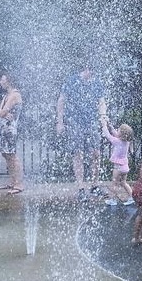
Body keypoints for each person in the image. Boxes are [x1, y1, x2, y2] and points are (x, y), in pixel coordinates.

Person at [56, 62, 107, 200]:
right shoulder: (72, 81)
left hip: (91, 122)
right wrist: (60, 122)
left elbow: (101, 102)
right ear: (86, 68)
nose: (93, 76)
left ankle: (95, 185)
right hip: (74, 123)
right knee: (77, 154)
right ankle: (81, 187)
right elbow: (61, 101)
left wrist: (103, 118)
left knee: (96, 153)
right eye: (91, 72)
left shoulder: (97, 83)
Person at [0, 73, 23, 194]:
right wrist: (1, 112)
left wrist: (1, 112)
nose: (0, 82)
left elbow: (0, 112)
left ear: (9, 81)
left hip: (9, 130)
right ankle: (13, 181)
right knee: (6, 155)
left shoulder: (14, 95)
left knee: (12, 156)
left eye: (2, 79)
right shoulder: (7, 95)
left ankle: (19, 184)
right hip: (4, 129)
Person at [100, 118, 135, 206]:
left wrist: (104, 126)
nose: (117, 130)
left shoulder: (117, 141)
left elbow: (108, 136)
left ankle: (113, 200)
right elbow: (116, 134)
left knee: (114, 184)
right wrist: (110, 126)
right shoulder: (126, 142)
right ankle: (131, 197)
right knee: (124, 183)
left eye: (119, 130)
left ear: (122, 134)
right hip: (125, 167)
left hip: (118, 168)